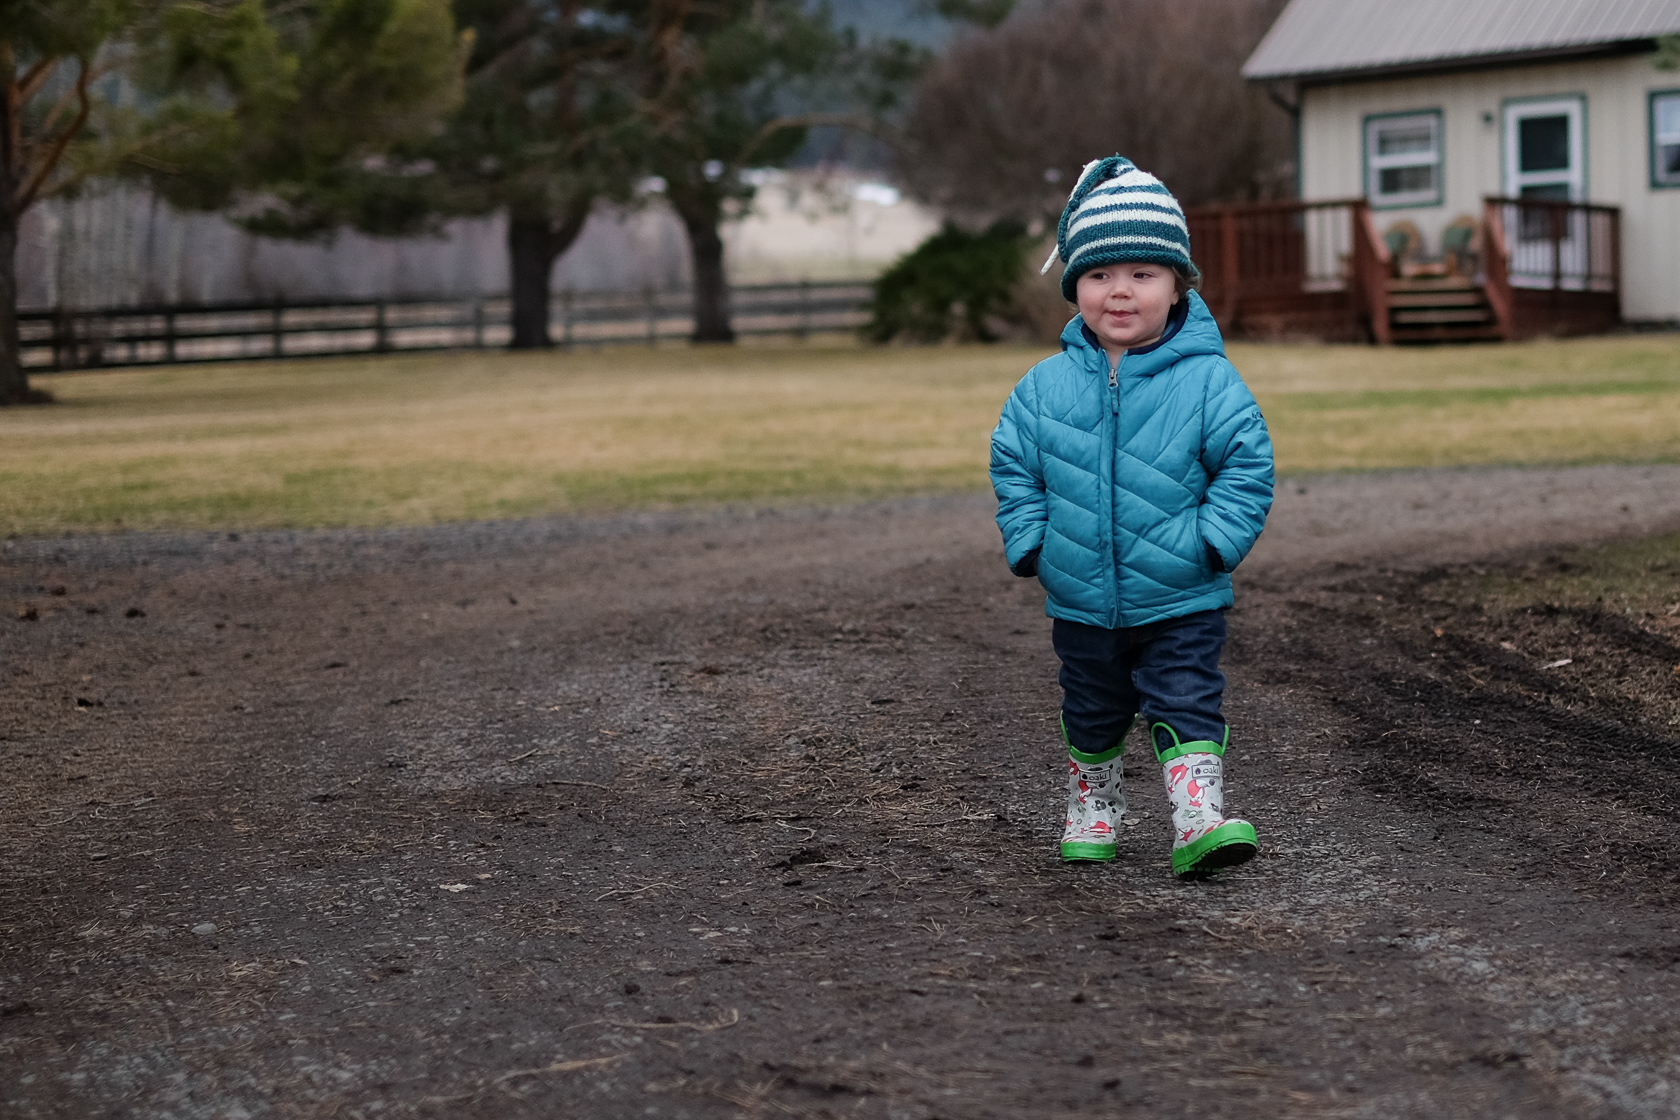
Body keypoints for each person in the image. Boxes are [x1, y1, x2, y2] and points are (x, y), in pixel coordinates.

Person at [990, 155, 1274, 878]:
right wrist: (1032, 541)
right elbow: (1014, 464)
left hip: (1182, 590)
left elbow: (1246, 466)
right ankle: (1093, 802)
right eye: (1099, 275)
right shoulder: (1042, 387)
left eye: (1143, 274)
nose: (1120, 291)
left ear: (1178, 284)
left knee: (1185, 697)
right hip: (1081, 595)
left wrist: (1215, 541)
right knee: (1092, 709)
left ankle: (1197, 819)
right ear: (1074, 286)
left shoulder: (1209, 380)